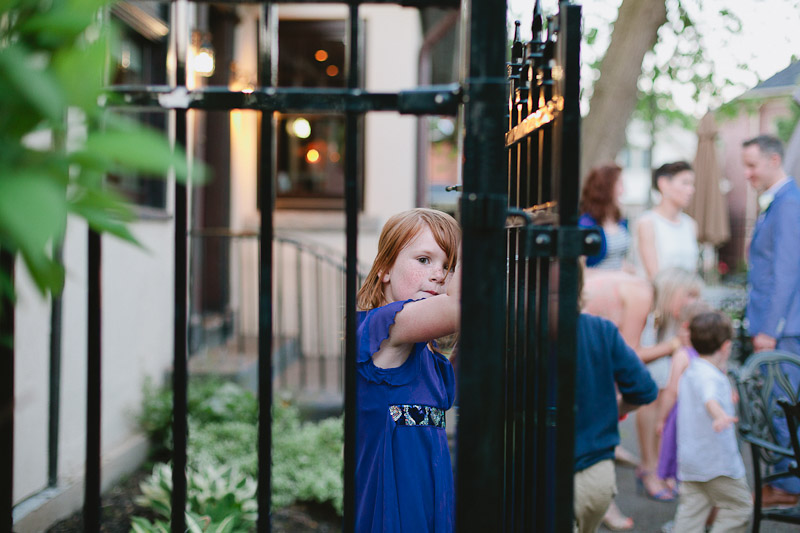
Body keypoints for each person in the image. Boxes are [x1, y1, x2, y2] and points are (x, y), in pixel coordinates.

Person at [355, 208, 461, 532]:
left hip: (431, 505)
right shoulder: (384, 329)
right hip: (390, 515)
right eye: (424, 260)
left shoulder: (428, 353)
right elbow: (463, 306)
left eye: (448, 266)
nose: (439, 275)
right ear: (385, 268)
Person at [741, 133, 800, 505]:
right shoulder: (777, 203)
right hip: (774, 327)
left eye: (751, 165)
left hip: (782, 331)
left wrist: (768, 329)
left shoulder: (789, 204)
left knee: (782, 407)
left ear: (774, 160)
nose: (747, 173)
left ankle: (789, 489)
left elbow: (786, 273)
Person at [575, 275, 658, 533]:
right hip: (597, 479)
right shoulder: (601, 329)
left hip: (540, 478)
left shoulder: (516, 328)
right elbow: (644, 389)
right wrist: (613, 411)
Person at [672, 311, 753, 532]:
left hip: (691, 460)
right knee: (740, 507)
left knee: (692, 510)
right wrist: (719, 415)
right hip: (716, 464)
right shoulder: (709, 376)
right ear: (726, 347)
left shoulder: (693, 370)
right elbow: (709, 398)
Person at [634, 267, 703, 501]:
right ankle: (649, 468)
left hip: (665, 380)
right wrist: (673, 345)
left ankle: (663, 468)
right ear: (670, 293)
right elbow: (635, 354)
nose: (692, 302)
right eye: (688, 295)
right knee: (651, 404)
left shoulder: (678, 321)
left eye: (695, 296)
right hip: (646, 379)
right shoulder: (649, 318)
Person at [580, 163, 653, 349]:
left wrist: (626, 267)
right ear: (606, 187)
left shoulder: (619, 218)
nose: (623, 189)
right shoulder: (586, 223)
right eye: (619, 184)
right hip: (598, 288)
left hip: (622, 285)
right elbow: (579, 267)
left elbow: (619, 255)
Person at [634, 161, 699, 280]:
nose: (691, 190)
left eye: (692, 184)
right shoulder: (647, 223)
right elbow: (654, 277)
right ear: (663, 184)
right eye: (685, 183)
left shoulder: (690, 225)